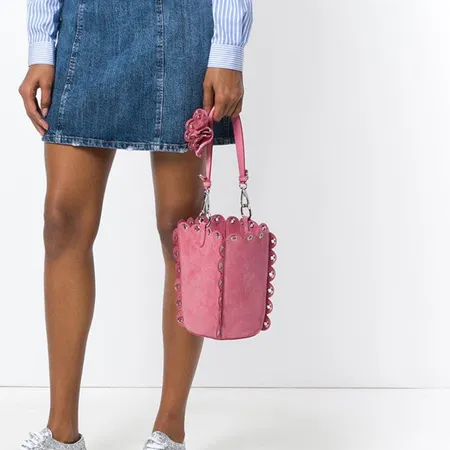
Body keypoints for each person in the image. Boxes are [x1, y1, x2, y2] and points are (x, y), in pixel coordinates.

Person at [18, 0, 253, 449]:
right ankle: (61, 432)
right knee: (62, 220)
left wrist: (227, 49)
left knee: (181, 233)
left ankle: (169, 429)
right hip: (86, 24)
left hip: (184, 27)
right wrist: (40, 46)